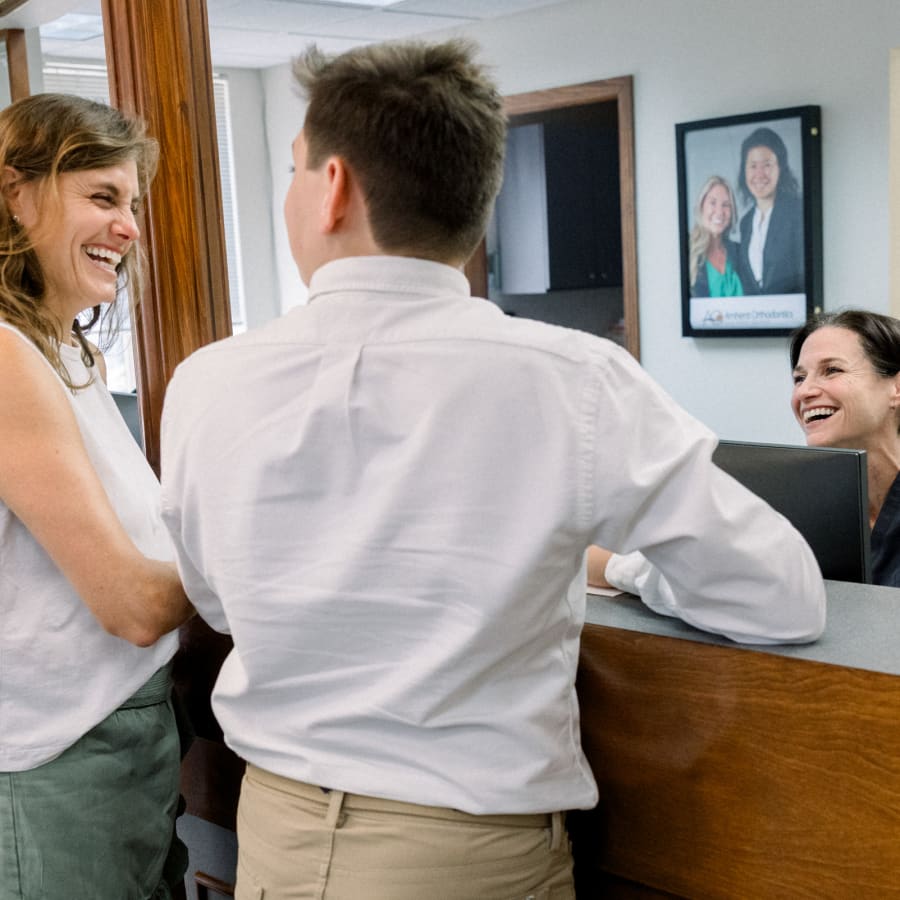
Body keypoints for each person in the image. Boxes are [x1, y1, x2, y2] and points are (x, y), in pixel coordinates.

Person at [159, 39, 825, 900]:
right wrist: (620, 568)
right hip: (466, 856)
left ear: (331, 188)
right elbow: (782, 595)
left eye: (292, 169)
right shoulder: (573, 379)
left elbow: (217, 599)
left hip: (274, 840)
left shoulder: (207, 382)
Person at [0, 94, 194, 898]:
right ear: (16, 194)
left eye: (132, 204)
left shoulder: (66, 354)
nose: (130, 228)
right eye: (103, 198)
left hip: (129, 743)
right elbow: (131, 603)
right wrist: (268, 549)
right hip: (58, 765)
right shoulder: (6, 357)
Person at [790, 309, 900, 587]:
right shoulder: (800, 508)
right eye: (799, 378)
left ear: (896, 389)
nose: (804, 392)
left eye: (832, 370)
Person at [735, 126, 805, 295]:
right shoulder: (745, 222)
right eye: (752, 166)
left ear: (780, 168)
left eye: (767, 165)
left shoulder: (797, 211)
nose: (759, 174)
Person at [689, 175, 743, 298]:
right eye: (712, 203)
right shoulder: (687, 252)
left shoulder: (740, 252)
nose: (719, 212)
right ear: (701, 206)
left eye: (726, 205)